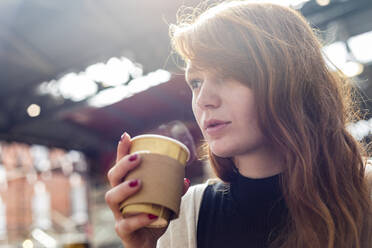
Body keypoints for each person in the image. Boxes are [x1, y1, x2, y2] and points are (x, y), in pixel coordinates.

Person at [105, 1, 372, 247]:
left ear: (289, 81)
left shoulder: (365, 196)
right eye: (196, 82)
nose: (204, 100)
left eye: (229, 75)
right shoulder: (185, 216)